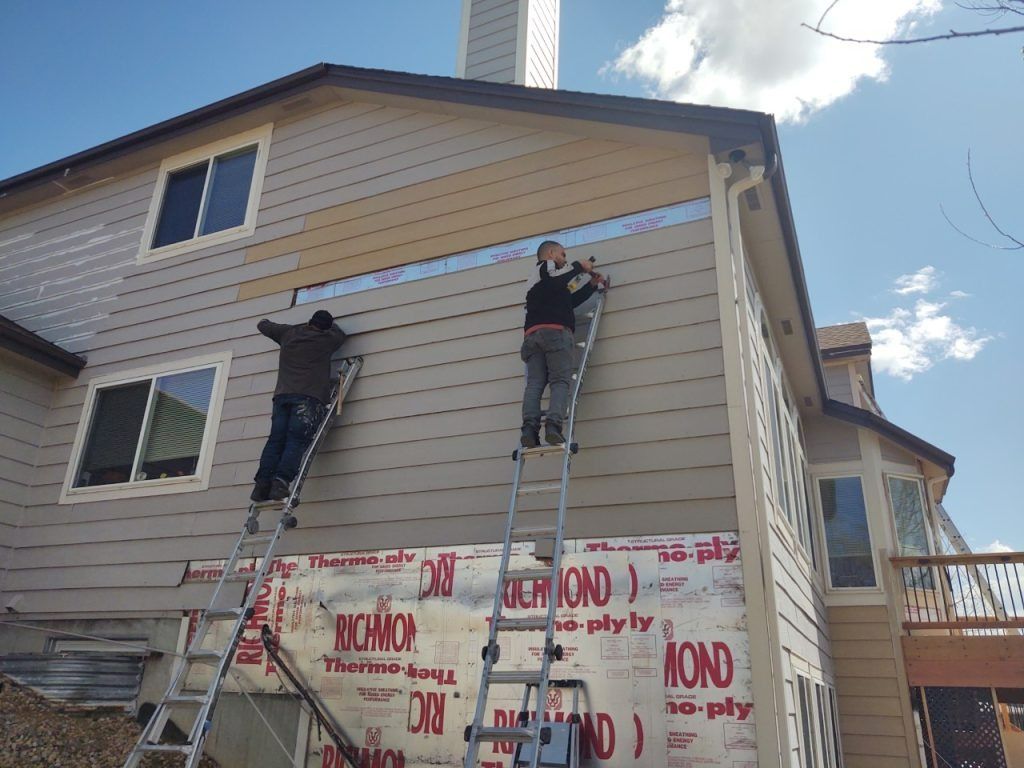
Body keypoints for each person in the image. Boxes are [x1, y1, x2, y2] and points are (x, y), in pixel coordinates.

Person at [251, 309, 346, 502]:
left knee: (275, 441)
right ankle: (280, 482)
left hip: (282, 398)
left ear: (310, 321)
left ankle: (262, 485)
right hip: (307, 399)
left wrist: (291, 327)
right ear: (325, 328)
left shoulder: (287, 333)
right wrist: (331, 327)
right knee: (295, 441)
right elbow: (340, 334)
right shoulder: (327, 340)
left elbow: (263, 324)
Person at [520, 240, 607, 448]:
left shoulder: (541, 281)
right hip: (555, 332)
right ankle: (553, 425)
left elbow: (568, 300)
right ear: (551, 253)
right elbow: (557, 283)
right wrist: (579, 266)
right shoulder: (546, 267)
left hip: (532, 336)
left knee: (534, 384)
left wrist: (591, 286)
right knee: (560, 380)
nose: (565, 260)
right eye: (563, 255)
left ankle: (530, 430)